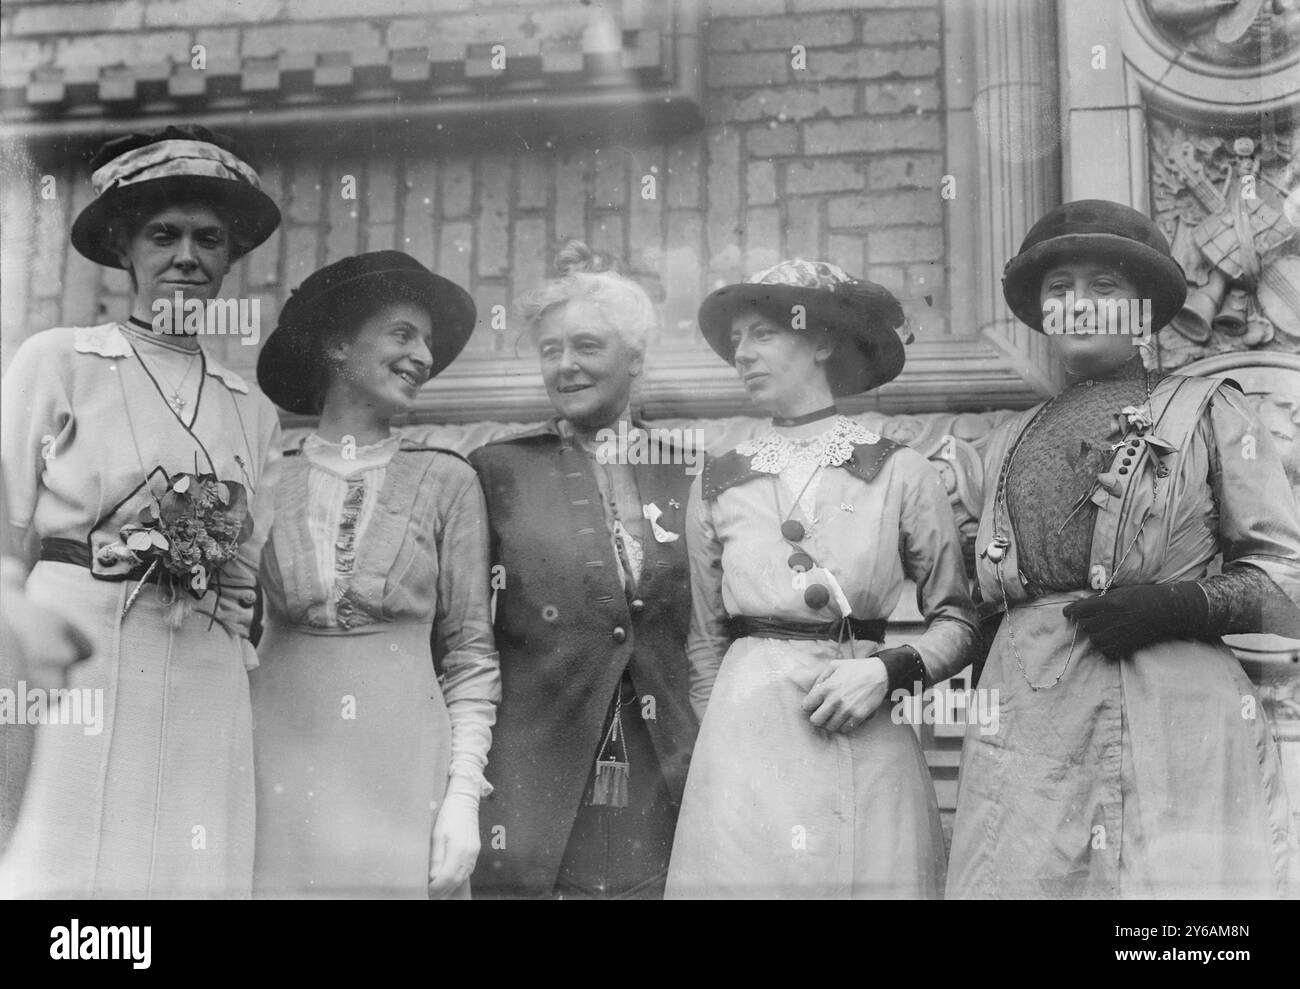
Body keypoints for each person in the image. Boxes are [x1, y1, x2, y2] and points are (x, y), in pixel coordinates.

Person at [947, 199, 1300, 899]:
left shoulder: (1209, 410)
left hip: (1172, 708)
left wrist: (1179, 604)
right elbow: (981, 602)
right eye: (1059, 289)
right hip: (1032, 725)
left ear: (1142, 310)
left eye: (1104, 289)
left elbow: (1285, 580)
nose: (1079, 306)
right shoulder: (1005, 442)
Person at [0, 124, 283, 897]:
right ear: (126, 246)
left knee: (187, 864)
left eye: (209, 238)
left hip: (200, 660)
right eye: (164, 234)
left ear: (230, 257)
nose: (187, 256)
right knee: (66, 864)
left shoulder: (250, 410)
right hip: (76, 642)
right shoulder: (59, 362)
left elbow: (245, 575)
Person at [665, 259, 977, 899]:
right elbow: (705, 640)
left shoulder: (901, 472)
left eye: (762, 335)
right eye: (735, 343)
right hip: (745, 745)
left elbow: (960, 620)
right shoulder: (718, 479)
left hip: (863, 730)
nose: (741, 355)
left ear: (823, 341)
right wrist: (725, 750)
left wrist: (888, 671)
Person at [251, 251, 499, 898]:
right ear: (337, 344)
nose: (423, 355)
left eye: (429, 342)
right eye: (402, 333)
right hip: (274, 756)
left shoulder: (448, 480)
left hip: (404, 763)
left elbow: (472, 657)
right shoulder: (264, 477)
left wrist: (462, 797)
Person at [470, 242, 697, 899]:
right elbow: (465, 636)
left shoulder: (688, 469)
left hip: (663, 756)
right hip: (539, 761)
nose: (565, 365)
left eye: (587, 346)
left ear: (636, 356)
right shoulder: (499, 470)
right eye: (550, 350)